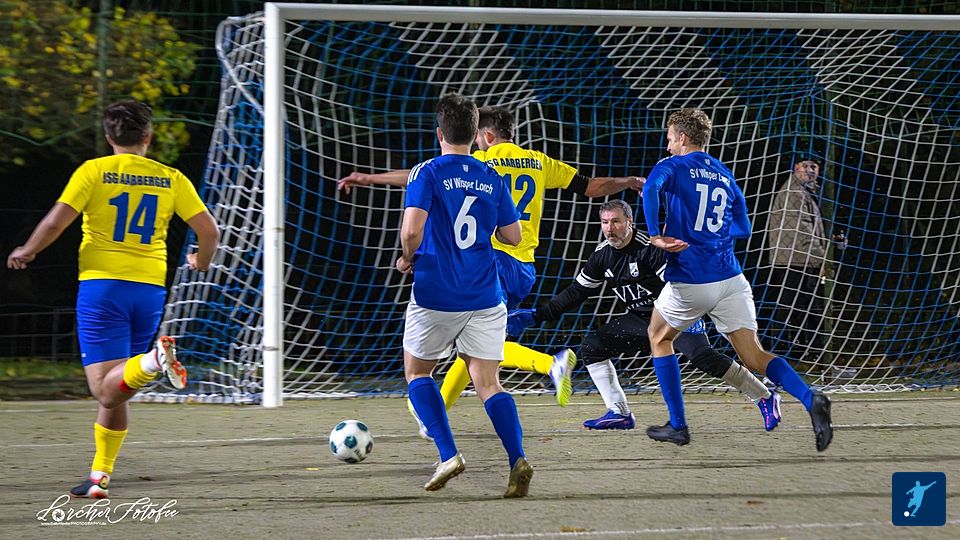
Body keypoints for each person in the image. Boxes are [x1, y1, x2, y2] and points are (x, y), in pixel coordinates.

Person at [340, 105, 643, 418]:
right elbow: (591, 186)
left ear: (485, 136)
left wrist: (369, 178)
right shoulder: (538, 161)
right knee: (473, 345)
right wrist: (627, 181)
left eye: (477, 139)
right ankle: (433, 413)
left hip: (489, 263)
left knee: (483, 346)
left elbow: (423, 175)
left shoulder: (482, 163)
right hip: (524, 268)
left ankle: (550, 364)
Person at [6, 100, 220, 497]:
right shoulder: (170, 177)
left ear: (109, 137)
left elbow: (55, 221)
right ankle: (98, 477)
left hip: (103, 288)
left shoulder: (94, 171)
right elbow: (209, 231)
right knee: (117, 385)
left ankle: (155, 360)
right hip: (149, 290)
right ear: (148, 137)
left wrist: (28, 250)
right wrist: (200, 262)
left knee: (104, 389)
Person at [642, 108, 833, 451]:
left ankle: (678, 425)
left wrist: (656, 235)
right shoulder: (724, 174)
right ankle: (810, 397)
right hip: (731, 279)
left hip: (693, 278)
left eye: (670, 138)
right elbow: (743, 227)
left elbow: (650, 189)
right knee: (754, 354)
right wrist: (711, 233)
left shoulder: (672, 165)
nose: (667, 145)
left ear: (682, 138)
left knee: (658, 336)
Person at [507, 200, 781, 436]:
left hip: (674, 316)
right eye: (605, 222)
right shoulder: (601, 256)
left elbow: (680, 284)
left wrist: (692, 315)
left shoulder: (649, 248)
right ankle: (619, 412)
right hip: (640, 319)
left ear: (630, 222)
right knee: (592, 346)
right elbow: (576, 293)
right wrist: (538, 315)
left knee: (703, 358)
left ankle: (764, 396)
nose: (609, 229)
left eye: (616, 222)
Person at [398, 93, 532, 497]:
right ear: (475, 135)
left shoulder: (427, 172)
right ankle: (517, 459)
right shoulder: (490, 176)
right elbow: (514, 236)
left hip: (437, 293)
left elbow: (411, 231)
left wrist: (407, 258)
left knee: (418, 373)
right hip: (485, 295)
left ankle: (448, 454)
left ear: (440, 133)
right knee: (489, 383)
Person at [767, 157, 846, 364]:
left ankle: (809, 358)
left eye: (814, 166)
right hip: (796, 260)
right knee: (797, 309)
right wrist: (823, 260)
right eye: (805, 166)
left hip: (798, 259)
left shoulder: (805, 192)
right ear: (796, 168)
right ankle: (785, 358)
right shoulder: (795, 193)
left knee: (803, 309)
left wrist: (830, 242)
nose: (810, 170)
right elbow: (803, 233)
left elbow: (810, 231)